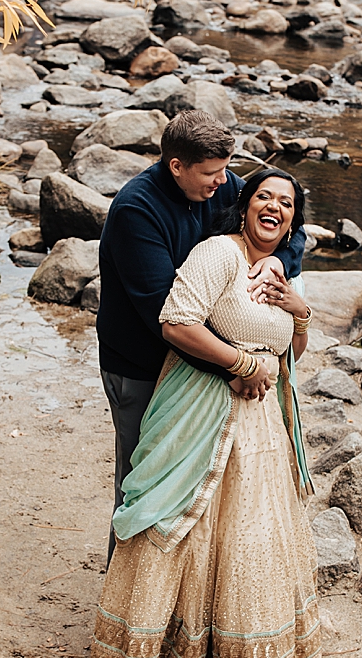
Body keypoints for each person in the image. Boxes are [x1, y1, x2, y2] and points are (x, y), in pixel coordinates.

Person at [87, 167, 328, 658]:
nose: (274, 207)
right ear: (244, 206)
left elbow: (289, 355)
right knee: (180, 521)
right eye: (264, 196)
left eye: (285, 203)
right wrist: (243, 363)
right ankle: (159, 649)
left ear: (293, 222)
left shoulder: (281, 272)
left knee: (248, 536)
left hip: (260, 426)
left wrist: (299, 312)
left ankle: (227, 654)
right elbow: (177, 321)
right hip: (203, 406)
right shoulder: (218, 253)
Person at [96, 109, 306, 560]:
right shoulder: (136, 211)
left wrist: (280, 261)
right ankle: (123, 587)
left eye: (226, 169)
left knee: (196, 482)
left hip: (199, 365)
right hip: (139, 365)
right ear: (177, 166)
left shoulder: (218, 183)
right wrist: (237, 365)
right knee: (144, 480)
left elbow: (288, 225)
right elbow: (165, 316)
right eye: (213, 173)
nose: (224, 181)